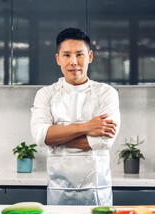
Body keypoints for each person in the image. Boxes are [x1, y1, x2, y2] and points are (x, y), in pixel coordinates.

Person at [30, 28, 120, 205]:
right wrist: (87, 127)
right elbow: (40, 135)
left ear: (90, 57)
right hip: (59, 190)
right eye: (66, 55)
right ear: (58, 59)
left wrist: (56, 137)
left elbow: (103, 142)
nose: (73, 62)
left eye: (79, 54)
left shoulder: (106, 93)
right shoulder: (46, 94)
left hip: (97, 191)